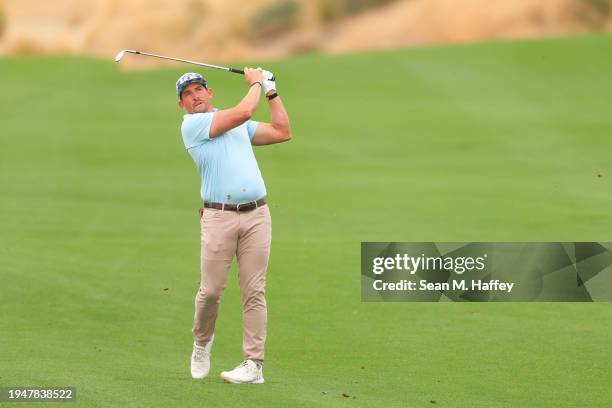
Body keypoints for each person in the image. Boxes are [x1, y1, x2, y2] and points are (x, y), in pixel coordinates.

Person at [176, 67, 291, 384]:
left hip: (257, 215)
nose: (195, 96)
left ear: (209, 93)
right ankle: (201, 344)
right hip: (219, 217)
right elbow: (242, 110)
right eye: (187, 94)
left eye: (199, 90)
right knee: (211, 291)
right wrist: (255, 81)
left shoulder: (239, 126)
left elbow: (282, 131)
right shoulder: (194, 126)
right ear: (182, 105)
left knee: (254, 291)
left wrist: (271, 91)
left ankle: (254, 364)